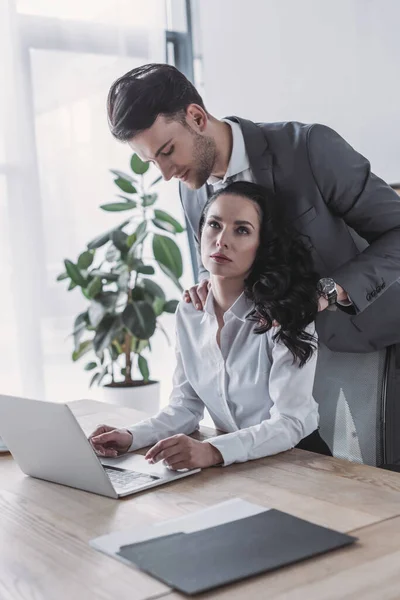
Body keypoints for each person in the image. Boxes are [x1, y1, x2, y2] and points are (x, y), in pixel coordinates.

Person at [106, 63, 400, 354]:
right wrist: (207, 284)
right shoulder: (190, 191)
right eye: (152, 163)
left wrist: (330, 291)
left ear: (196, 117)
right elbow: (211, 265)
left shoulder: (309, 148)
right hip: (279, 369)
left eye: (167, 151)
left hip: (377, 343)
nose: (167, 174)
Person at [90, 182, 331, 468]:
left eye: (241, 230)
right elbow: (185, 407)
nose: (221, 240)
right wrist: (131, 436)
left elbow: (291, 421)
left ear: (262, 245)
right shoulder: (189, 312)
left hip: (300, 462)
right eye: (214, 225)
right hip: (239, 464)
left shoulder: (284, 314)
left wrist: (214, 451)